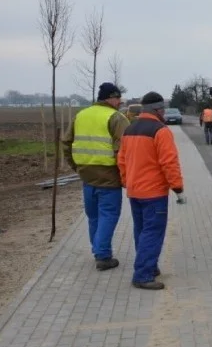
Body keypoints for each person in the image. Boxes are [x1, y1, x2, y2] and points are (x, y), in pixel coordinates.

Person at [117, 91, 185, 290]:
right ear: (157, 109)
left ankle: (150, 266)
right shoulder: (160, 131)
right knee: (152, 233)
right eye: (162, 108)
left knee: (142, 231)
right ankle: (143, 275)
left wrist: (126, 181)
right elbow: (169, 163)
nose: (164, 112)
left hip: (135, 191)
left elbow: (121, 160)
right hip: (154, 193)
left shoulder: (130, 130)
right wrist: (178, 188)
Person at [62, 82, 129, 271]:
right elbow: (123, 151)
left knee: (94, 217)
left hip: (87, 176)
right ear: (110, 98)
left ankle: (98, 249)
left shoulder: (81, 115)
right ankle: (103, 256)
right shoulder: (117, 118)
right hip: (109, 176)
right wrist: (125, 176)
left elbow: (66, 143)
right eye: (118, 98)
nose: (120, 101)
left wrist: (77, 167)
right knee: (108, 215)